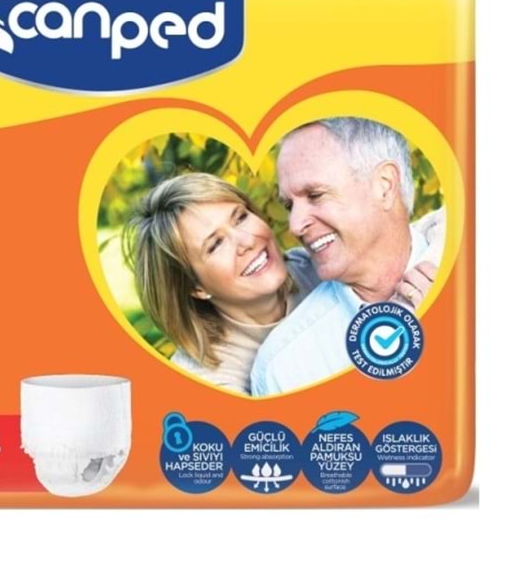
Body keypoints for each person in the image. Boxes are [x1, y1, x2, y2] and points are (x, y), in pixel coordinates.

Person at [249, 118, 444, 397]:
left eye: (315, 195)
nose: (295, 225)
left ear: (385, 186)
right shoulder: (285, 368)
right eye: (290, 205)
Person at [121, 173, 318, 394]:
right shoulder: (209, 385)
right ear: (195, 287)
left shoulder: (321, 269)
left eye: (240, 218)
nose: (247, 241)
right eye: (216, 244)